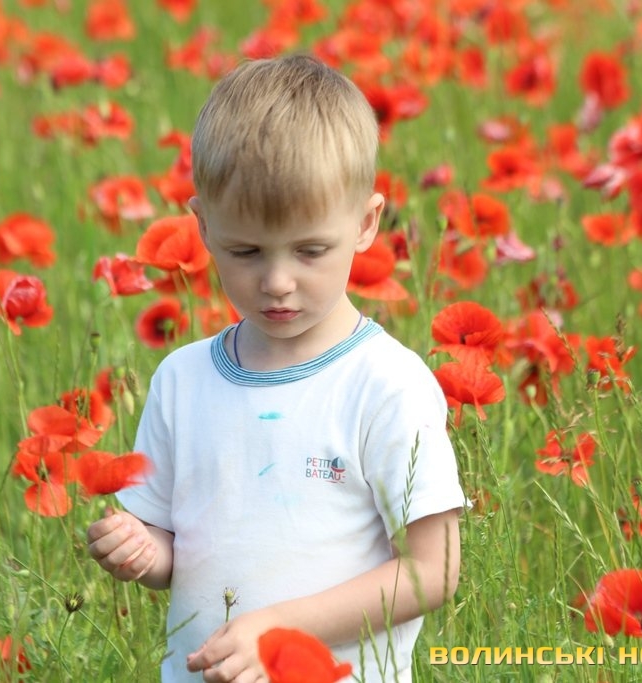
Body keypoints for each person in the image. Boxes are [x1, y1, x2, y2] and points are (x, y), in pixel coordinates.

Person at [87, 53, 466, 683]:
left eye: (310, 250)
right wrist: (139, 549)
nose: (278, 281)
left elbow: (434, 570)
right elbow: (173, 553)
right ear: (203, 226)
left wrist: (280, 628)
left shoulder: (385, 385)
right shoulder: (182, 382)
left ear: (366, 223)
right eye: (246, 251)